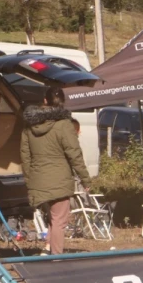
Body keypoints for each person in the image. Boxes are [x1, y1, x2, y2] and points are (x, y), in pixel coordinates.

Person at [20, 87, 91, 255]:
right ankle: (57, 257)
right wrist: (85, 178)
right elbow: (74, 153)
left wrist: (30, 180)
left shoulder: (29, 125)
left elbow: (25, 155)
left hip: (38, 179)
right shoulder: (64, 125)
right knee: (59, 220)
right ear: (63, 102)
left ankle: (47, 249)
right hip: (59, 178)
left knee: (53, 219)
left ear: (44, 100)